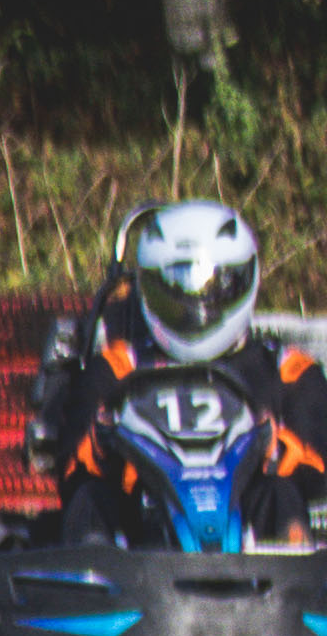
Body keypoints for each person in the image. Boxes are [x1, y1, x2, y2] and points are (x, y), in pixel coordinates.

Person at [34, 197, 327, 548]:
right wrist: (105, 443)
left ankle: (289, 574)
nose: (194, 309)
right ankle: (91, 578)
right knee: (91, 498)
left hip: (252, 544)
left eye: (210, 289)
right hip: (142, 543)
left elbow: (317, 470)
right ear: (147, 287)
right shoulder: (115, 369)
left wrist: (272, 448)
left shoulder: (288, 371)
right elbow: (71, 472)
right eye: (176, 292)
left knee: (281, 495)